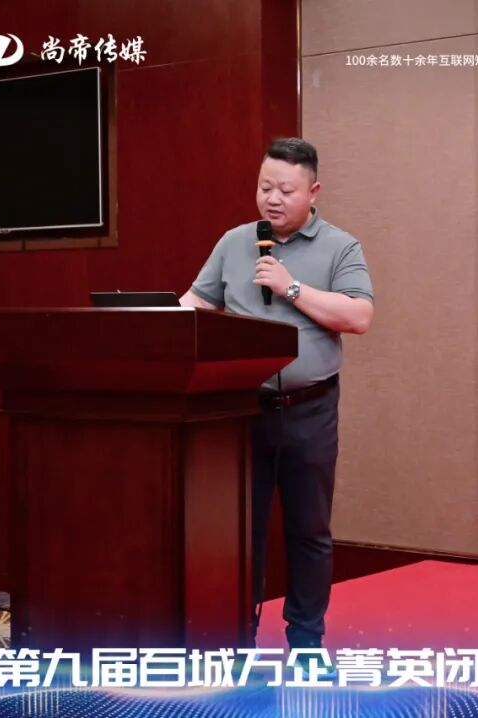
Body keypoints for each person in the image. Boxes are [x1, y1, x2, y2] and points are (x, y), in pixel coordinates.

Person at [179, 137, 374, 656]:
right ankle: (234, 640)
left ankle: (306, 644)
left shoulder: (340, 246)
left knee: (309, 531)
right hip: (242, 411)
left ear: (313, 191)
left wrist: (291, 287)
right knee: (240, 532)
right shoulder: (234, 242)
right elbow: (195, 303)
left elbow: (359, 316)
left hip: (310, 410)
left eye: (285, 190)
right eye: (265, 187)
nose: (272, 199)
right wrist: (154, 321)